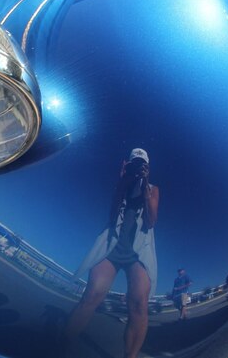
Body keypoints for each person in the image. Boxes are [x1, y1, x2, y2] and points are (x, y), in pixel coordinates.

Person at [64, 148, 160, 358]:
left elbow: (152, 220)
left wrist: (144, 188)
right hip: (111, 246)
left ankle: (130, 356)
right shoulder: (121, 185)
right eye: (134, 163)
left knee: (138, 304)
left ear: (147, 169)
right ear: (127, 164)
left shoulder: (153, 189)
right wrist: (123, 182)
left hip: (139, 252)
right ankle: (63, 347)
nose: (137, 168)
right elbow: (113, 213)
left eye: (141, 165)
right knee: (92, 294)